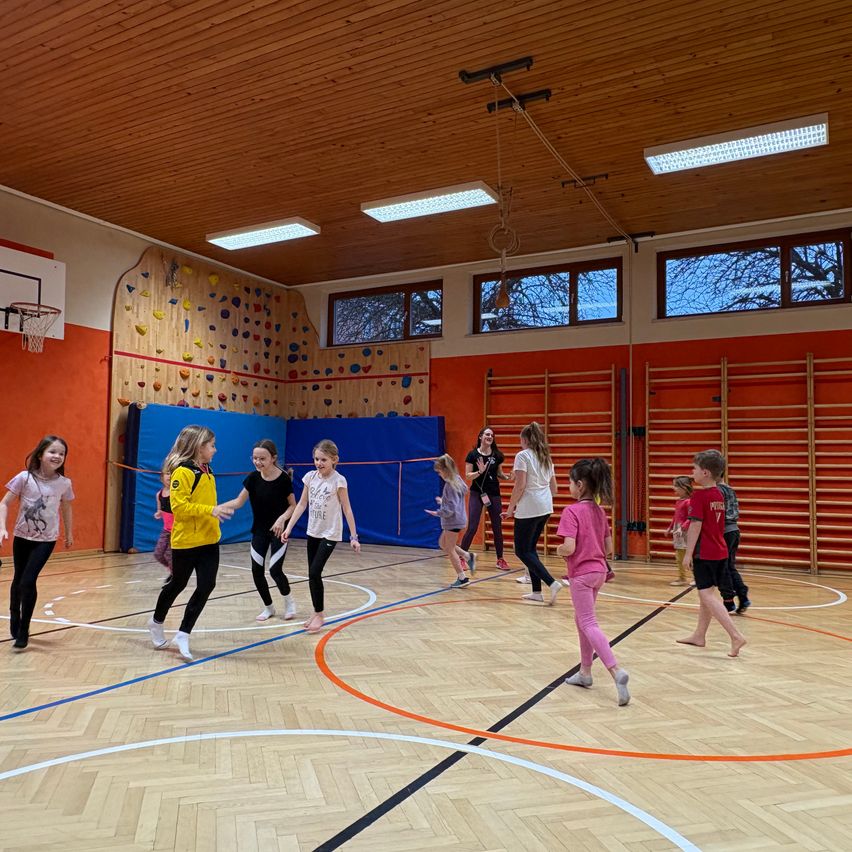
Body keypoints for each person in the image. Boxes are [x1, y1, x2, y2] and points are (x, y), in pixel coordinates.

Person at [147, 425, 233, 661]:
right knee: (178, 584)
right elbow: (179, 507)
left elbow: (204, 503)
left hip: (209, 541)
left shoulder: (207, 469)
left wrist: (214, 515)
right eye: (212, 445)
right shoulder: (182, 472)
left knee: (207, 585)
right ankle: (156, 622)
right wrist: (211, 510)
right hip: (186, 541)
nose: (215, 450)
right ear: (198, 446)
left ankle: (184, 633)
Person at [556, 458, 630, 706]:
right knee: (582, 621)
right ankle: (585, 673)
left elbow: (568, 547)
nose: (568, 486)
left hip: (582, 575)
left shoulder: (571, 511)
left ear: (579, 485)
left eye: (569, 482)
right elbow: (608, 547)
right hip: (599, 573)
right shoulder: (600, 512)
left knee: (588, 622)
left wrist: (558, 550)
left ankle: (615, 670)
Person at [0, 435, 74, 650]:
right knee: (18, 579)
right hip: (22, 536)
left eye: (61, 453)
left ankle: (24, 628)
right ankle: (15, 615)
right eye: (53, 451)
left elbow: (67, 508)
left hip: (46, 539)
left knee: (28, 580)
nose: (57, 456)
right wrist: (2, 527)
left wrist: (69, 533)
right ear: (40, 454)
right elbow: (4, 503)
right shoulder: (24, 478)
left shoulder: (64, 483)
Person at [281, 439, 360, 634]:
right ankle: (316, 613)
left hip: (330, 533)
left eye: (323, 459)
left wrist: (353, 536)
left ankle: (320, 614)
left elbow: (347, 508)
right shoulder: (310, 477)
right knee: (312, 574)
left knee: (315, 572)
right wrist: (288, 527)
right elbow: (301, 504)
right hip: (313, 531)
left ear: (334, 460)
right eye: (316, 459)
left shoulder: (339, 480)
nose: (319, 463)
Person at [677, 450, 747, 657]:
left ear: (705, 472)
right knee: (706, 595)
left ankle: (735, 636)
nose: (692, 472)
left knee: (706, 594)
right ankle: (700, 635)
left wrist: (688, 553)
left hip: (705, 552)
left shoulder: (699, 497)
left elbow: (696, 527)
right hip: (719, 550)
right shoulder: (719, 494)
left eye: (695, 469)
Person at [221, 439, 297, 622]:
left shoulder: (284, 479)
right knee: (256, 570)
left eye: (262, 458)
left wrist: (282, 519)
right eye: (255, 458)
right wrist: (216, 508)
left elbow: (293, 506)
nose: (257, 462)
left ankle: (289, 602)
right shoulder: (253, 478)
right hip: (260, 531)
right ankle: (268, 607)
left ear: (273, 458)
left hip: (280, 531)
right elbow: (238, 502)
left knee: (275, 570)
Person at [502, 422, 562, 605]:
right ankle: (537, 592)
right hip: (545, 506)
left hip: (529, 507)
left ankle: (551, 582)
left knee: (521, 550)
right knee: (530, 549)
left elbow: (519, 486)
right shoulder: (546, 457)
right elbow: (554, 489)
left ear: (525, 439)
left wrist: (510, 509)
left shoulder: (523, 456)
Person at [459, 427, 512, 571]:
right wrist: (480, 472)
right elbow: (468, 476)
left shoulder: (498, 455)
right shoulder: (472, 455)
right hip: (477, 493)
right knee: (472, 527)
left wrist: (507, 477)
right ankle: (462, 557)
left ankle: (500, 559)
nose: (490, 437)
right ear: (480, 436)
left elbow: (499, 473)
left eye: (492, 435)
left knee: (497, 527)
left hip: (494, 494)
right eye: (487, 434)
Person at [426, 454, 476, 588]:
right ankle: (467, 556)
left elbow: (450, 509)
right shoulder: (458, 480)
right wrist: (443, 501)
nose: (439, 474)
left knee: (449, 548)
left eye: (439, 471)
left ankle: (462, 577)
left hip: (453, 521)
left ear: (445, 469)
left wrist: (437, 513)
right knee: (443, 543)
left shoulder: (449, 485)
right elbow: (458, 498)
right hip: (458, 518)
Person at [715, 472, 751, 614]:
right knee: (729, 566)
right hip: (734, 530)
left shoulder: (717, 490)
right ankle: (742, 595)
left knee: (721, 567)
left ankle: (728, 600)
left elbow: (717, 513)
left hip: (724, 531)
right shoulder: (729, 488)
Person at [665, 476, 693, 586]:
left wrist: (682, 528)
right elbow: (675, 517)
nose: (674, 488)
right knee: (679, 555)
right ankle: (682, 578)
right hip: (678, 531)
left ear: (684, 488)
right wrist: (670, 527)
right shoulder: (679, 501)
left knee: (689, 555)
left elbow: (691, 518)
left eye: (676, 486)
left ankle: (696, 577)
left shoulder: (689, 502)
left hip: (685, 531)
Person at [153, 470, 173, 580]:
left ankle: (175, 576)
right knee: (158, 554)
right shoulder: (159, 495)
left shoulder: (176, 493)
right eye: (167, 474)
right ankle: (172, 570)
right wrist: (158, 513)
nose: (169, 476)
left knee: (169, 554)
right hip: (166, 530)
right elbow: (160, 510)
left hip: (177, 531)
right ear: (162, 477)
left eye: (172, 474)